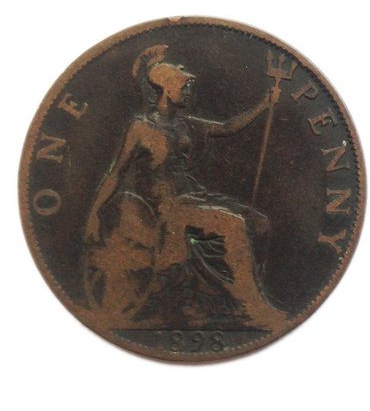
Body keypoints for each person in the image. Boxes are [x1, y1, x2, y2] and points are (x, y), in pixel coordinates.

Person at [84, 44, 286, 329]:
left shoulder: (186, 124)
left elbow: (227, 127)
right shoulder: (141, 128)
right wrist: (95, 214)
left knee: (260, 223)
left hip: (192, 196)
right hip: (166, 206)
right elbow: (116, 173)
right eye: (184, 86)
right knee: (234, 225)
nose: (189, 92)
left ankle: (222, 298)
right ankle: (252, 307)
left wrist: (264, 105)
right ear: (166, 89)